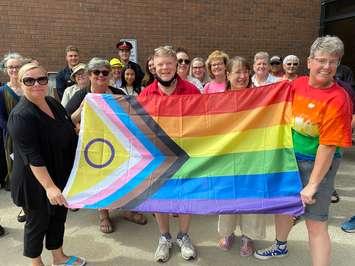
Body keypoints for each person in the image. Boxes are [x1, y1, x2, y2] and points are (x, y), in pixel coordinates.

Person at [254, 36, 353, 266]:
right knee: (285, 208)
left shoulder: (338, 99)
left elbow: (327, 146)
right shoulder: (296, 85)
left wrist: (313, 184)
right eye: (321, 60)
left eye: (333, 61)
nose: (327, 67)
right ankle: (280, 246)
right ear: (309, 62)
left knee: (316, 222)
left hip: (317, 164)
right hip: (289, 159)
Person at [7, 62, 85, 266]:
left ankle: (59, 257)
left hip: (60, 173)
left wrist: (85, 110)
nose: (36, 84)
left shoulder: (52, 102)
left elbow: (68, 125)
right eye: (29, 80)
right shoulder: (21, 116)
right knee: (37, 223)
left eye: (41, 79)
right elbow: (33, 156)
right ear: (20, 83)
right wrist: (50, 187)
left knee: (58, 218)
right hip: (35, 181)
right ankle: (36, 262)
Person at [140, 46, 200, 262]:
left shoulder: (192, 90)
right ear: (153, 67)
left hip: (187, 153)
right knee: (159, 197)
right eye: (160, 65)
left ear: (176, 65)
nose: (164, 68)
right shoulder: (146, 94)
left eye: (168, 63)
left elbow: (203, 122)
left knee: (186, 196)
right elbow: (140, 127)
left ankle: (183, 236)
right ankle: (164, 238)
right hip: (158, 155)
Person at [217, 56, 266, 257]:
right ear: (227, 75)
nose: (242, 76)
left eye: (246, 71)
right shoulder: (219, 99)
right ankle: (227, 233)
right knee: (228, 195)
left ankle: (249, 236)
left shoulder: (260, 97)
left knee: (251, 195)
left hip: (253, 156)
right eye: (237, 72)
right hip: (227, 156)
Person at [0, 52, 25, 191]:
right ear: (6, 69)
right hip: (12, 137)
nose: (14, 70)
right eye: (11, 67)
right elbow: (1, 117)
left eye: (17, 66)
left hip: (31, 133)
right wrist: (13, 130)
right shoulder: (2, 91)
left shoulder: (29, 87)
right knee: (16, 167)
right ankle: (19, 195)